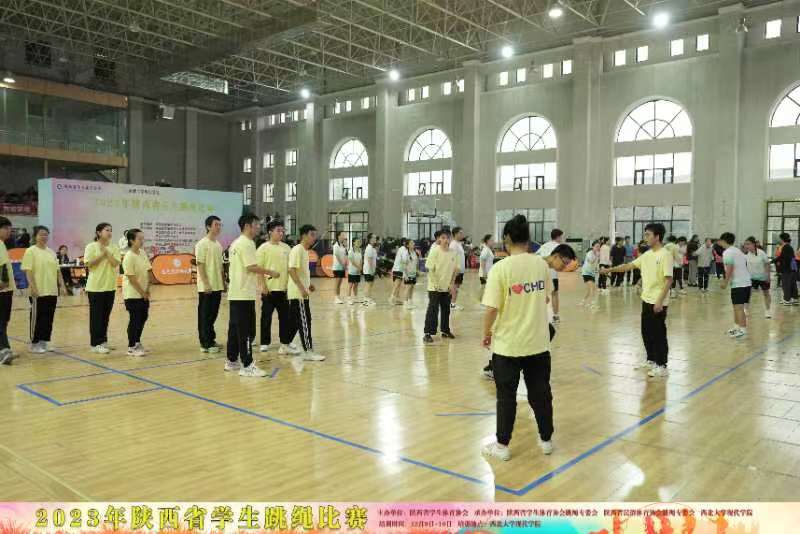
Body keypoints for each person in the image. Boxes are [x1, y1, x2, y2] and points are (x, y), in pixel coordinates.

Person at [480, 214, 576, 461]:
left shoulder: (500, 268)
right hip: (538, 343)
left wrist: (486, 333)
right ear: (528, 238)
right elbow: (546, 297)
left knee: (506, 398)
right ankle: (546, 440)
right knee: (540, 394)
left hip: (508, 346)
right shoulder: (541, 266)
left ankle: (502, 446)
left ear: (507, 239)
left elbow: (491, 309)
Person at [602, 223, 673, 378]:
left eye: (648, 234)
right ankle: (651, 360)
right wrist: (610, 269)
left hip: (658, 301)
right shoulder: (647, 255)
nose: (645, 237)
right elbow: (629, 266)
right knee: (646, 332)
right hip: (646, 299)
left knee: (658, 334)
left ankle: (662, 365)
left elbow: (669, 280)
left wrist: (660, 301)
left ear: (657, 236)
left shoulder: (665, 254)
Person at [225, 214, 281, 377]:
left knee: (235, 330)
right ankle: (247, 365)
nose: (258, 227)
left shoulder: (236, 243)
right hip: (243, 294)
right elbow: (251, 267)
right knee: (247, 331)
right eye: (256, 224)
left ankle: (231, 361)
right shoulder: (247, 243)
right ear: (247, 226)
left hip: (236, 293)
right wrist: (270, 272)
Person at [256, 219, 299, 355]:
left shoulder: (287, 248)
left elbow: (291, 269)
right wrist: (263, 286)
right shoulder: (263, 248)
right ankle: (264, 342)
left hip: (284, 290)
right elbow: (259, 269)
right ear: (270, 232)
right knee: (266, 317)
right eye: (278, 230)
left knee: (285, 318)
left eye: (282, 231)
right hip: (269, 290)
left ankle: (285, 341)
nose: (281, 233)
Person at [22, 226, 66, 354]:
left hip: (51, 290)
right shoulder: (31, 251)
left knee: (48, 317)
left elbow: (58, 271)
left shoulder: (51, 252)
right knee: (37, 317)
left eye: (46, 234)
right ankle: (34, 343)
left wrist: (62, 285)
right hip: (38, 291)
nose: (44, 236)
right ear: (35, 236)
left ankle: (44, 342)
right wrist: (33, 287)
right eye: (41, 234)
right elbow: (28, 271)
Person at [287, 224, 325, 361]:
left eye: (315, 235)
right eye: (312, 235)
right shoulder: (297, 249)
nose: (314, 238)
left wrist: (309, 285)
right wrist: (302, 288)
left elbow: (301, 272)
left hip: (301, 291)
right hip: (298, 294)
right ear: (304, 235)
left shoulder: (304, 251)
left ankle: (285, 344)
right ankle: (308, 351)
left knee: (295, 322)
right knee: (305, 322)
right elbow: (291, 270)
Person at [84, 223, 121, 353]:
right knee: (96, 317)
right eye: (107, 230)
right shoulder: (91, 246)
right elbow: (89, 264)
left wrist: (106, 252)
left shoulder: (114, 247)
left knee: (105, 316)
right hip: (95, 287)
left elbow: (115, 263)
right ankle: (95, 344)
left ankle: (103, 341)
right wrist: (102, 254)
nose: (109, 232)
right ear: (99, 233)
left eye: (111, 230)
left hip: (110, 286)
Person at [196, 216, 226, 354]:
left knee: (212, 315)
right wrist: (206, 284)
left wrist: (223, 282)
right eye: (216, 225)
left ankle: (211, 339)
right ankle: (205, 343)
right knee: (205, 316)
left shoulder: (218, 245)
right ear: (208, 227)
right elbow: (200, 265)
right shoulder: (202, 244)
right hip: (206, 287)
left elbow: (220, 266)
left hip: (217, 285)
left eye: (220, 225)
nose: (218, 227)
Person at [423, 229, 457, 343]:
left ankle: (445, 330)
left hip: (447, 287)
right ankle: (428, 333)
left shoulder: (453, 252)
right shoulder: (435, 251)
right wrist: (436, 284)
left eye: (447, 238)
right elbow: (430, 269)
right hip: (434, 287)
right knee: (433, 309)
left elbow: (455, 270)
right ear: (439, 239)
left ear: (450, 239)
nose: (445, 240)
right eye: (443, 238)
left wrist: (452, 284)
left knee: (446, 309)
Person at [121, 229, 151, 357]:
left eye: (143, 238)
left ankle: (137, 342)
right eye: (139, 239)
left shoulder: (142, 253)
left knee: (143, 317)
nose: (142, 241)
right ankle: (131, 347)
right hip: (132, 294)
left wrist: (147, 289)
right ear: (132, 240)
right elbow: (131, 278)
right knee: (135, 319)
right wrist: (142, 292)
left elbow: (148, 270)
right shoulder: (128, 257)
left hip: (143, 293)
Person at [718, 232, 751, 339]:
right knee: (736, 307)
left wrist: (725, 281)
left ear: (724, 241)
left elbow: (730, 267)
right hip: (745, 282)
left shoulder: (727, 252)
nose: (719, 242)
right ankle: (736, 327)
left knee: (739, 307)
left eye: (720, 240)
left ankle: (743, 330)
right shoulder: (736, 250)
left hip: (739, 283)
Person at [536, 228, 564, 322]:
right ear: (558, 237)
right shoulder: (559, 247)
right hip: (552, 275)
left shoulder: (544, 246)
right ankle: (555, 316)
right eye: (561, 237)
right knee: (554, 294)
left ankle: (540, 316)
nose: (561, 239)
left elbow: (537, 257)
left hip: (542, 274)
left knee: (542, 295)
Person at [0, 217, 16, 364]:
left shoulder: (2, 244)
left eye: (9, 229)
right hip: (2, 289)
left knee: (4, 320)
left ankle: (5, 348)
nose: (9, 231)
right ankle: (4, 350)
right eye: (6, 228)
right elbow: (3, 266)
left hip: (6, 290)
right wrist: (3, 282)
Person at [744, 236, 772, 319]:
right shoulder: (746, 254)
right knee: (747, 294)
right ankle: (745, 310)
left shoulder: (761, 253)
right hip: (751, 278)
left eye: (748, 244)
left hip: (763, 277)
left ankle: (767, 310)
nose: (746, 246)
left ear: (753, 244)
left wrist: (768, 276)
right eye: (745, 244)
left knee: (766, 293)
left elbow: (767, 264)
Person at [777, 232, 798, 305]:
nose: (779, 240)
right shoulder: (789, 247)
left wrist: (781, 269)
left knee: (786, 284)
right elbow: (782, 257)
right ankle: (794, 299)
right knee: (792, 284)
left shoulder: (785, 247)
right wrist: (774, 260)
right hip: (792, 269)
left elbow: (785, 259)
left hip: (787, 269)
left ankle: (787, 300)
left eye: (780, 238)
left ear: (782, 239)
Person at [449, 227, 466, 310]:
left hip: (460, 270)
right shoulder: (453, 244)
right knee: (454, 288)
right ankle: (452, 304)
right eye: (460, 233)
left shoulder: (459, 243)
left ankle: (453, 303)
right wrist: (455, 270)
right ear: (455, 234)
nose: (462, 234)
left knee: (457, 288)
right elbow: (452, 258)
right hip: (456, 270)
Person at [580, 240, 600, 308]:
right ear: (593, 247)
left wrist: (597, 269)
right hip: (586, 273)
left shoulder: (597, 253)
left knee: (590, 290)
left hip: (592, 273)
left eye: (599, 246)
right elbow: (591, 261)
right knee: (592, 288)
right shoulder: (589, 253)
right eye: (596, 246)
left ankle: (583, 302)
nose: (598, 248)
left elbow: (596, 264)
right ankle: (592, 303)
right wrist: (596, 256)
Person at [389, 238, 409, 305]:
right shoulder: (404, 250)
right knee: (397, 285)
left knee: (398, 285)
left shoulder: (402, 249)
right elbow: (404, 261)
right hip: (398, 269)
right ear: (404, 243)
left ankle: (396, 299)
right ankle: (391, 299)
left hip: (397, 269)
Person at [332, 231, 348, 304]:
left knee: (340, 283)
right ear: (338, 236)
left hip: (342, 267)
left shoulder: (343, 245)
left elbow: (345, 255)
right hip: (337, 267)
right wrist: (343, 265)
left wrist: (345, 264)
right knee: (337, 283)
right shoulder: (336, 245)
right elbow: (337, 257)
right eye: (342, 235)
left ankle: (338, 297)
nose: (344, 236)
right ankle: (336, 298)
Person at [362, 233, 378, 306]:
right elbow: (369, 260)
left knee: (370, 284)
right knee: (368, 284)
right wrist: (371, 270)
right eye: (374, 238)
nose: (375, 239)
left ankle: (368, 298)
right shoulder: (369, 248)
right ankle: (366, 300)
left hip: (371, 269)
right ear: (370, 239)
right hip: (368, 270)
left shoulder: (372, 248)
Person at [347, 237, 363, 305]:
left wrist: (360, 267)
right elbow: (352, 261)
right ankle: (348, 299)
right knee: (350, 285)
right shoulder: (350, 251)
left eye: (359, 242)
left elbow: (361, 260)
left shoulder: (359, 250)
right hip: (352, 271)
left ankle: (355, 298)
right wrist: (358, 267)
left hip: (358, 271)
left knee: (356, 285)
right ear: (353, 242)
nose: (359, 243)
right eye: (357, 242)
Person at [403, 238, 418, 310]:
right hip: (407, 274)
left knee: (412, 288)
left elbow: (415, 263)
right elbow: (403, 265)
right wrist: (405, 275)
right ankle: (405, 303)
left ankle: (410, 302)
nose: (413, 244)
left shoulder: (414, 252)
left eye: (413, 243)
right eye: (411, 243)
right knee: (408, 288)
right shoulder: (405, 254)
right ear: (408, 245)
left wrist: (416, 272)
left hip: (413, 273)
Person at [478, 234, 494, 301]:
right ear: (487, 241)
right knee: (484, 287)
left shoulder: (488, 249)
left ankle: (482, 300)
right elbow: (482, 260)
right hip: (485, 272)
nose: (493, 242)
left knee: (485, 287)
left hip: (488, 272)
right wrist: (484, 272)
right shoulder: (486, 250)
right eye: (491, 240)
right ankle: (481, 300)